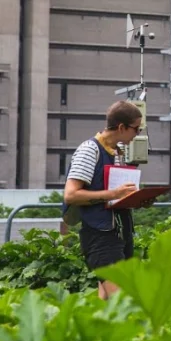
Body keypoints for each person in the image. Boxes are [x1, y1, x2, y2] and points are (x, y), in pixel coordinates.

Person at [63, 100, 143, 299]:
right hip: (101, 235)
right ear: (122, 127)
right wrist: (113, 194)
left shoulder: (117, 152)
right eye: (136, 129)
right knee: (122, 301)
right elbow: (71, 195)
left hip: (119, 232)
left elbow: (115, 194)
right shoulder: (90, 150)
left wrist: (136, 199)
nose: (137, 134)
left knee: (106, 299)